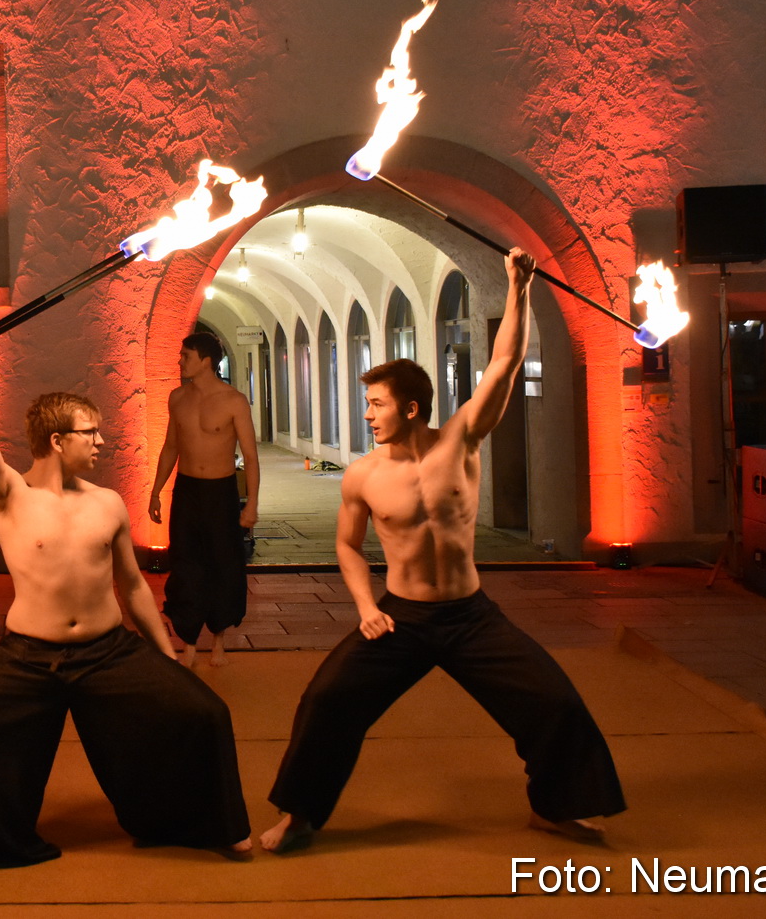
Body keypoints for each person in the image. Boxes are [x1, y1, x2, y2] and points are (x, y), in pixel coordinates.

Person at [260, 249, 625, 853]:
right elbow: (348, 548)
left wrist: (518, 286)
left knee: (554, 701)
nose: (368, 414)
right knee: (328, 700)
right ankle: (299, 815)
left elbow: (504, 363)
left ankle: (556, 808)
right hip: (401, 616)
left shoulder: (461, 441)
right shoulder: (363, 475)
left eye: (377, 404)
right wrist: (363, 607)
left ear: (410, 407)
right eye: (367, 403)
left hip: (471, 616)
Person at [0, 327, 251, 865]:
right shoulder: (10, 495)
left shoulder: (108, 503)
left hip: (107, 652)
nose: (101, 441)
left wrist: (165, 660)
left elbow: (134, 585)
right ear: (56, 440)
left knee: (204, 713)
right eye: (89, 433)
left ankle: (216, 826)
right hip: (29, 655)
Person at [148, 332, 260, 667]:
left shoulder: (233, 401)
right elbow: (171, 446)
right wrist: (155, 490)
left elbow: (251, 457)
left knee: (223, 564)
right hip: (187, 489)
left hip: (220, 491)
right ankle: (190, 640)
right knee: (185, 564)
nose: (180, 361)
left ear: (205, 360)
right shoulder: (177, 397)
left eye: (186, 356)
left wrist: (251, 504)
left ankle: (220, 638)